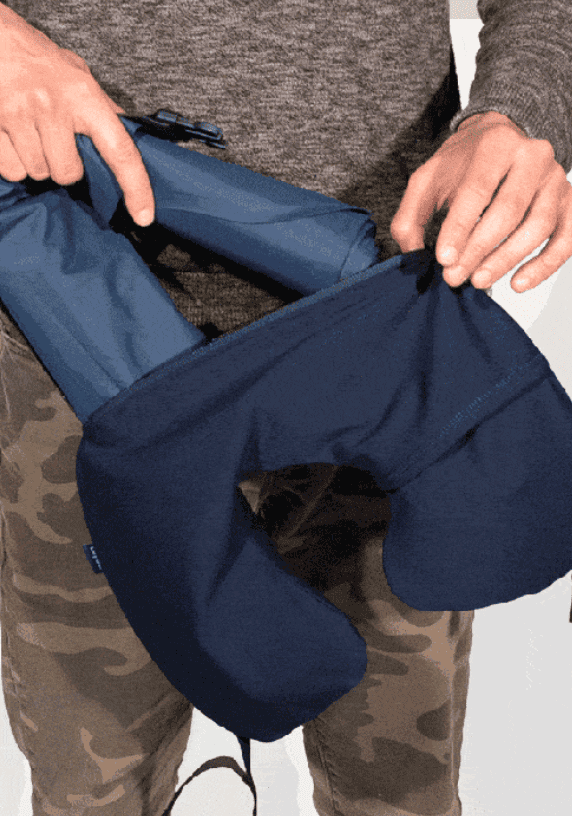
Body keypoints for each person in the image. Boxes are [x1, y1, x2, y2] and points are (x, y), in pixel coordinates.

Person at [0, 2, 571, 816]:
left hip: (386, 321)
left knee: (397, 793)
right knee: (92, 788)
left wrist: (518, 110)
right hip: (71, 355)